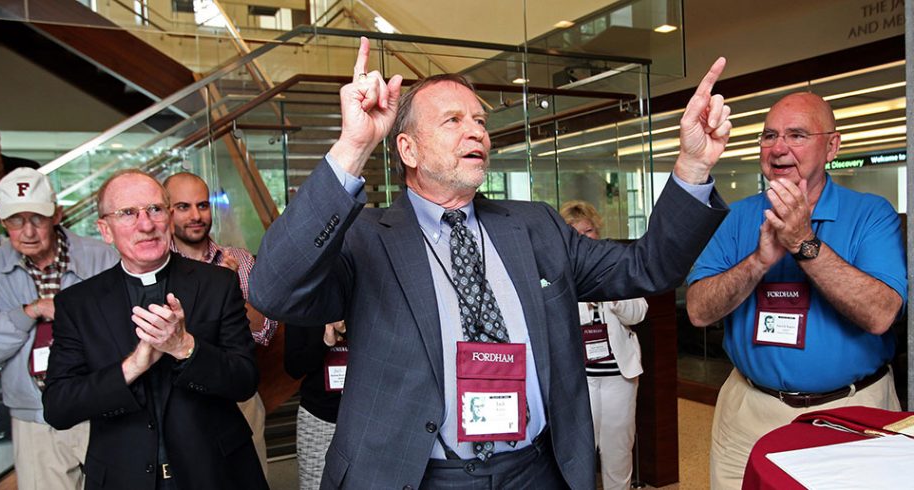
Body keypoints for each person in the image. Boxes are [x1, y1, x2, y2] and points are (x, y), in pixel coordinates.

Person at [248, 37, 732, 488]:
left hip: (535, 469)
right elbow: (273, 289)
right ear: (408, 148)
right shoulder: (366, 238)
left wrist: (692, 166)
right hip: (419, 474)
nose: (476, 130)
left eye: (479, 120)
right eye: (453, 120)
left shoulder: (536, 227)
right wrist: (353, 146)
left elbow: (649, 266)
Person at [685, 92, 906, 489]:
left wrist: (804, 243)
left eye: (797, 135)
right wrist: (758, 262)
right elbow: (699, 311)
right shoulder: (735, 217)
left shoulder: (871, 214)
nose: (779, 148)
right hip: (747, 413)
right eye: (769, 136)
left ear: (832, 147)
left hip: (850, 412)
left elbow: (881, 314)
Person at [42, 169, 266, 489]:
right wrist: (133, 366)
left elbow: (245, 380)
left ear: (168, 217)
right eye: (128, 213)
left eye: (155, 210)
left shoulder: (217, 283)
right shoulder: (78, 304)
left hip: (216, 472)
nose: (145, 225)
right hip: (124, 477)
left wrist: (185, 347)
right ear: (105, 230)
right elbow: (59, 408)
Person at [0, 167, 117, 489]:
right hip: (34, 414)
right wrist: (28, 312)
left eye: (37, 218)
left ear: (57, 214)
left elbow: (122, 330)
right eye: (15, 221)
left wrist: (72, 314)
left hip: (101, 406)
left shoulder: (101, 256)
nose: (28, 231)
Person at [163, 171, 279, 476]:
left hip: (237, 393)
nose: (196, 216)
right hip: (181, 398)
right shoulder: (158, 266)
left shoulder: (239, 259)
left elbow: (265, 329)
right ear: (167, 210)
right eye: (184, 207)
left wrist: (228, 290)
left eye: (202, 205)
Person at [560, 199, 649, 490]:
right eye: (575, 233)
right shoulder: (558, 273)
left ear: (597, 232)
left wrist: (612, 293)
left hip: (618, 376)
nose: (584, 239)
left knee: (619, 449)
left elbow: (638, 313)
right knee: (581, 452)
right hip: (579, 379)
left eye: (588, 231)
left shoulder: (616, 265)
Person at [284, 321, 346, 490]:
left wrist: (348, 330)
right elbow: (293, 367)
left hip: (366, 417)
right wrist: (325, 343)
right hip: (318, 417)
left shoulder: (367, 303)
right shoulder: (304, 305)